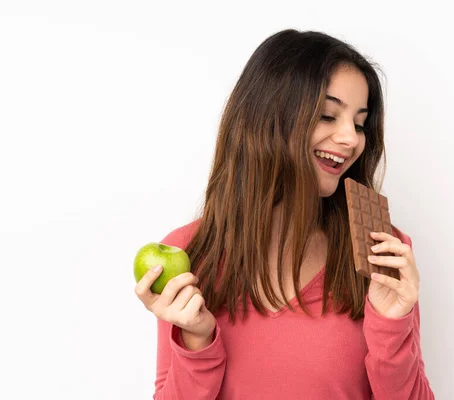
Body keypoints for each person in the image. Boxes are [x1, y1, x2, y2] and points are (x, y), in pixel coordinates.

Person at [134, 28, 435, 400]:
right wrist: (197, 337)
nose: (351, 139)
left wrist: (391, 324)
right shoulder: (190, 253)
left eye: (359, 123)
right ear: (269, 119)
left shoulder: (381, 249)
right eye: (328, 115)